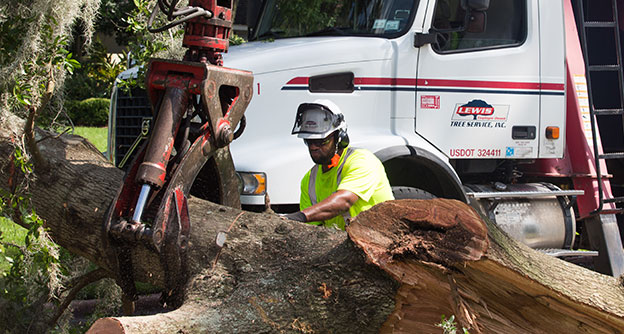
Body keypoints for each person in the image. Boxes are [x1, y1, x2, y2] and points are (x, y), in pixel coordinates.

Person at [282, 100, 394, 230]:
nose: (313, 147)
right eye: (309, 141)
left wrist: (299, 217)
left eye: (321, 141)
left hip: (381, 241)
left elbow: (344, 201)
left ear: (339, 137)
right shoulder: (309, 180)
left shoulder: (363, 160)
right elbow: (312, 228)